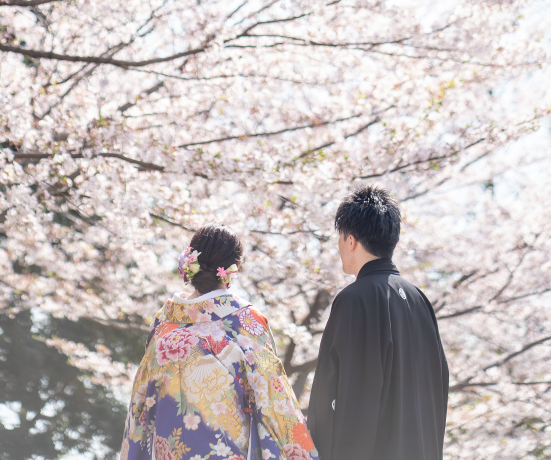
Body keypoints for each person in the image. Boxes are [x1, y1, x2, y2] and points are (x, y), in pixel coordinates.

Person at [122, 223, 319, 460]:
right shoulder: (243, 321)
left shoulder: (164, 325)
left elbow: (140, 402)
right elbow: (273, 396)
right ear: (233, 269)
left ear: (190, 261)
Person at [308, 186, 449, 460]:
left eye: (340, 238)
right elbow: (438, 386)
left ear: (350, 240)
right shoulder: (419, 300)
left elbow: (344, 393)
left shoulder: (354, 299)